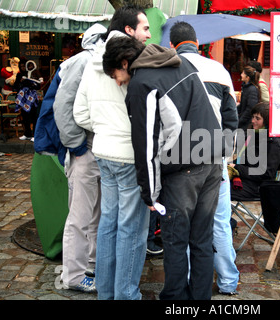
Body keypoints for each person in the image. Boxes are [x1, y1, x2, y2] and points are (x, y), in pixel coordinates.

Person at [103, 36, 223, 300]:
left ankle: (175, 301)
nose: (117, 82)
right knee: (202, 240)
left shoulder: (142, 83)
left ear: (124, 62)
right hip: (213, 160)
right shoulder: (180, 63)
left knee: (175, 241)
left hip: (184, 170)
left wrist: (149, 194)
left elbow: (145, 147)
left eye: (115, 75)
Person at [73, 5, 151, 300]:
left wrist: (104, 127)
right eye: (145, 27)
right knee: (130, 229)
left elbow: (80, 114)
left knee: (108, 225)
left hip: (104, 152)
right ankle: (126, 295)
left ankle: (106, 292)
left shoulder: (93, 59)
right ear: (129, 29)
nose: (149, 33)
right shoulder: (134, 60)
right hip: (129, 156)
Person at [169, 21, 240, 296]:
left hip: (181, 158)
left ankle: (186, 285)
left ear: (172, 45)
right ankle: (228, 281)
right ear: (197, 43)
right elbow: (231, 119)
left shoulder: (169, 69)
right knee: (218, 222)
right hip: (214, 157)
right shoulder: (219, 70)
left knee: (184, 225)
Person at [52, 23, 107, 293]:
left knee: (96, 214)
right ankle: (74, 275)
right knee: (80, 216)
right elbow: (62, 105)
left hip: (100, 148)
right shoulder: (82, 61)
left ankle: (90, 264)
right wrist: (77, 145)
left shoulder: (94, 60)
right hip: (86, 148)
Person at [229, 102, 280, 200]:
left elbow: (266, 174)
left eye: (257, 118)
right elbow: (244, 159)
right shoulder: (256, 135)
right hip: (247, 180)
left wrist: (237, 168)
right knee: (214, 183)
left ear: (267, 121)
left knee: (218, 190)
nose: (252, 121)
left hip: (259, 186)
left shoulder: (275, 144)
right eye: (253, 117)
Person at [238, 65, 261, 130]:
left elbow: (250, 108)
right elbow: (242, 105)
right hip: (245, 122)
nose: (241, 75)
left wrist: (240, 120)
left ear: (247, 77)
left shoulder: (252, 89)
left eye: (243, 73)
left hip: (248, 124)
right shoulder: (246, 88)